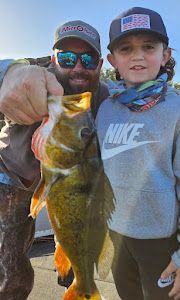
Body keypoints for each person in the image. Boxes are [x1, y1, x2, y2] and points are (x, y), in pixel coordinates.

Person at [95, 7, 180, 300]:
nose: (137, 56)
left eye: (148, 47)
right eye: (126, 49)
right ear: (113, 61)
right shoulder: (105, 108)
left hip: (162, 243)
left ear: (164, 55)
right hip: (116, 237)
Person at [0, 20, 108, 300]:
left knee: (74, 246)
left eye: (88, 59)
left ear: (100, 63)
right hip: (13, 177)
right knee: (9, 270)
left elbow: (139, 83)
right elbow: (11, 70)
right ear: (53, 59)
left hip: (69, 181)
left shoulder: (104, 93)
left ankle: (75, 286)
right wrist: (6, 74)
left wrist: (164, 71)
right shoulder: (33, 73)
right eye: (68, 58)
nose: (78, 67)